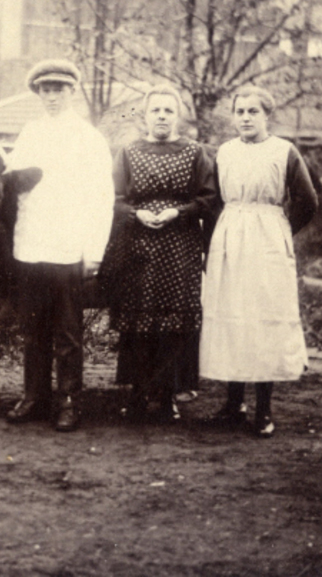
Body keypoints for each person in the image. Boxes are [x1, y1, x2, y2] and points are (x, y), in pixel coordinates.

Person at [199, 85, 318, 437]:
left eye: (253, 111)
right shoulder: (224, 152)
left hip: (267, 238)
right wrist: (210, 247)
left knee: (263, 318)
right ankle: (233, 403)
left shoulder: (284, 151)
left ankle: (263, 410)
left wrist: (282, 230)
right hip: (229, 237)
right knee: (233, 316)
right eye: (240, 112)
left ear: (267, 115)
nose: (246, 118)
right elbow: (214, 202)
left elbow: (308, 200)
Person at [4, 59, 115, 432]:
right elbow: (13, 188)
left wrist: (93, 252)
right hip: (31, 245)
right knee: (33, 330)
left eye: (59, 90)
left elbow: (101, 199)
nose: (52, 97)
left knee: (67, 332)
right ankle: (34, 396)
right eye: (46, 90)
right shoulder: (29, 133)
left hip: (68, 246)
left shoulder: (89, 138)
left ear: (72, 91)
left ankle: (68, 400)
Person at [101, 83, 217, 422]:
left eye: (169, 110)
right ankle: (138, 394)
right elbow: (114, 198)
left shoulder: (195, 153)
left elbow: (208, 198)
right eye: (156, 110)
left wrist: (177, 212)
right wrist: (136, 213)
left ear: (178, 115)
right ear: (145, 115)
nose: (162, 116)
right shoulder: (128, 152)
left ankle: (168, 397)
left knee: (173, 321)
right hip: (137, 246)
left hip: (180, 246)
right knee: (138, 320)